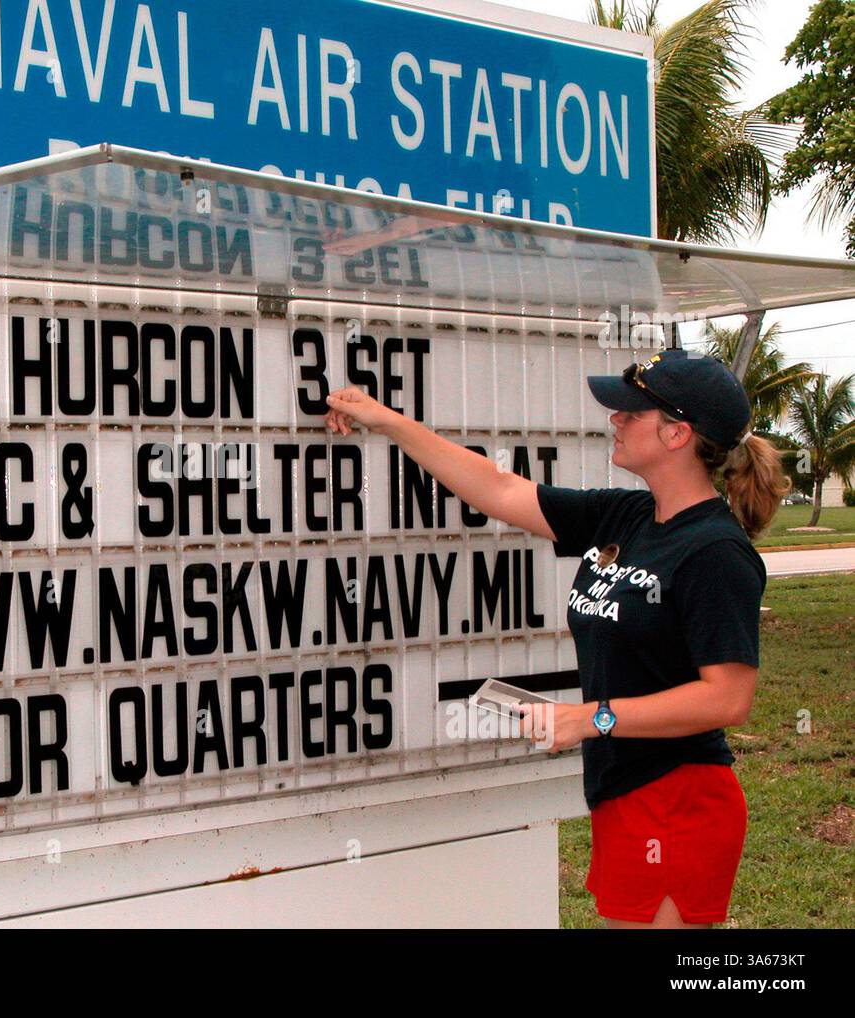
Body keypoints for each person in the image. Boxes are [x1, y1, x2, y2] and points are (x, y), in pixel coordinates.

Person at [324, 348, 790, 929]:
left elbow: (727, 699)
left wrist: (591, 718)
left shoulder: (717, 553)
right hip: (624, 793)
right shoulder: (629, 517)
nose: (615, 419)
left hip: (677, 801)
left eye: (632, 412)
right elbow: (495, 489)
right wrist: (388, 420)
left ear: (677, 434)